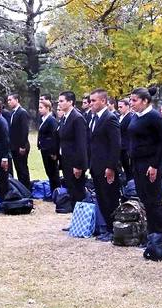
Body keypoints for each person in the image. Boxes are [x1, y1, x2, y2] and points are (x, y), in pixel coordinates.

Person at [128, 87, 162, 234]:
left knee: (153, 200)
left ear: (145, 101)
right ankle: (151, 232)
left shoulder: (154, 116)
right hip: (137, 163)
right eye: (130, 100)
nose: (131, 103)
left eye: (134, 100)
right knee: (144, 198)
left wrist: (154, 165)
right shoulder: (136, 116)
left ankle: (160, 234)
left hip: (150, 164)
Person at [87, 89, 121, 242]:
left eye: (94, 100)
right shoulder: (94, 118)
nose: (91, 104)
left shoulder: (110, 118)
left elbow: (115, 145)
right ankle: (107, 227)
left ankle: (113, 229)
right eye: (90, 101)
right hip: (96, 165)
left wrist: (111, 167)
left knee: (110, 198)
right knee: (101, 197)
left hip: (106, 166)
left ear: (103, 101)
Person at [56, 91, 89, 206]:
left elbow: (81, 144)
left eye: (62, 101)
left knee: (77, 190)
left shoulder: (77, 118)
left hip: (74, 161)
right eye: (58, 101)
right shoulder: (65, 117)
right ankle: (74, 212)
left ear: (70, 102)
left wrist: (78, 165)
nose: (59, 103)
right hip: (66, 159)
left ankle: (80, 213)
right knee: (71, 189)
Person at [7, 94, 31, 189]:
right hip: (13, 146)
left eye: (10, 100)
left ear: (16, 100)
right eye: (8, 100)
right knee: (18, 169)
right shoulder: (13, 113)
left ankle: (26, 189)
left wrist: (22, 146)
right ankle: (21, 189)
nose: (8, 102)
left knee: (22, 169)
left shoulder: (22, 112)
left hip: (21, 146)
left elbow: (24, 130)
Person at [37, 99, 60, 196]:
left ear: (48, 108)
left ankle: (56, 192)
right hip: (44, 149)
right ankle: (52, 191)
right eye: (39, 107)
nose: (39, 110)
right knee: (49, 172)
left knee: (53, 172)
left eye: (41, 108)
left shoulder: (51, 120)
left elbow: (55, 137)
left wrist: (54, 152)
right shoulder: (43, 119)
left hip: (50, 151)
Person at [118, 98, 133, 181]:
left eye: (121, 107)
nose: (119, 109)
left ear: (127, 106)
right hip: (121, 146)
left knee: (128, 168)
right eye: (118, 107)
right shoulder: (120, 117)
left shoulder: (130, 117)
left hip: (126, 147)